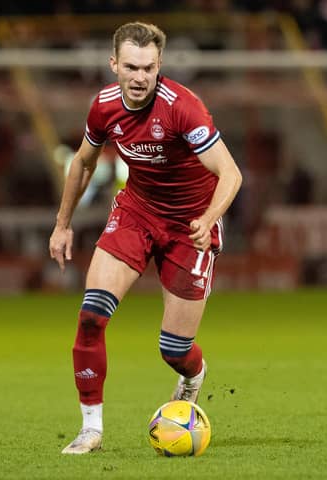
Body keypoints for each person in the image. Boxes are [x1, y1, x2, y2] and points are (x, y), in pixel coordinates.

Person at [49, 21, 242, 455]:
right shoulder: (103, 107)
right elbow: (82, 163)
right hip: (136, 213)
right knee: (91, 317)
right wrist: (63, 224)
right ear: (114, 64)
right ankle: (91, 430)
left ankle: (192, 375)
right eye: (132, 67)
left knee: (174, 349)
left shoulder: (183, 109)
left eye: (149, 68)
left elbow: (230, 173)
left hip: (190, 225)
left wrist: (209, 217)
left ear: (160, 66)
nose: (140, 77)